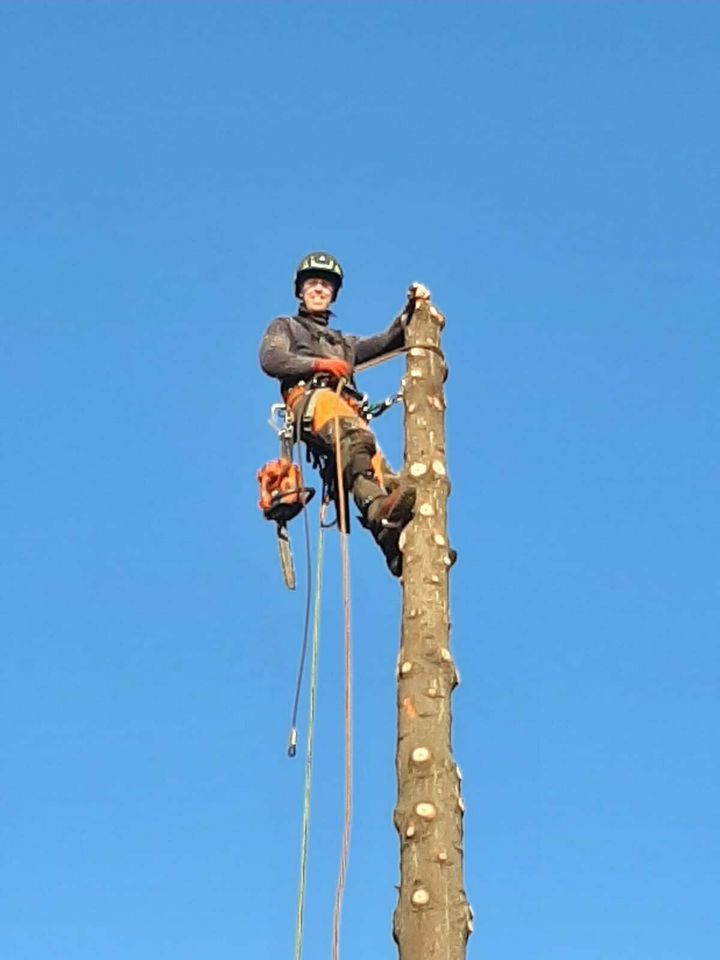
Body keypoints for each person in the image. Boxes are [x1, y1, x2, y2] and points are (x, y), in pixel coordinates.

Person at [259, 251, 429, 576]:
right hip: (312, 399)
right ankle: (380, 513)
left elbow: (387, 341)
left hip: (347, 413)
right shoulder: (287, 327)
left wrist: (411, 311)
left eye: (325, 285)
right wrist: (319, 365)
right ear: (300, 291)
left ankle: (399, 547)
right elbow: (272, 359)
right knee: (355, 437)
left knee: (386, 478)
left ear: (333, 293)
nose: (319, 290)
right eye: (313, 284)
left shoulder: (343, 343)